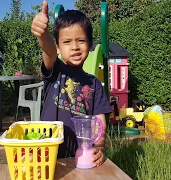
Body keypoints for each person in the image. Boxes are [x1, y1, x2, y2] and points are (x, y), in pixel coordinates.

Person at [31, 0, 112, 167]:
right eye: (67, 42)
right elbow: (48, 50)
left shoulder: (94, 84)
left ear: (89, 45)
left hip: (79, 155)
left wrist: (99, 147)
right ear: (59, 47)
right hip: (46, 151)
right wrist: (43, 34)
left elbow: (99, 121)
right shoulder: (55, 70)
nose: (74, 47)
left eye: (81, 40)